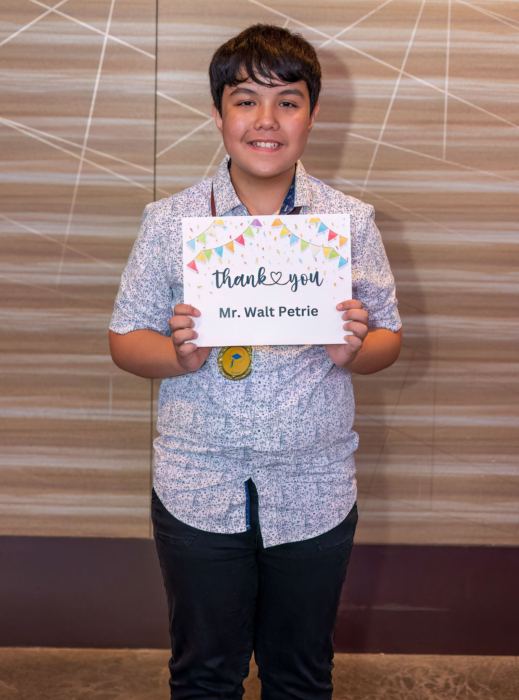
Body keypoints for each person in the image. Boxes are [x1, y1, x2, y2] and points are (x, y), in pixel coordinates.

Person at [109, 23, 402, 700]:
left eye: (287, 101)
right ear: (218, 115)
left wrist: (354, 350)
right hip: (197, 484)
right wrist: (179, 356)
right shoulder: (172, 222)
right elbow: (125, 340)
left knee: (300, 676)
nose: (265, 119)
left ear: (312, 115)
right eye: (245, 100)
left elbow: (388, 338)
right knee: (204, 675)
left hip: (315, 487)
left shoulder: (347, 223)